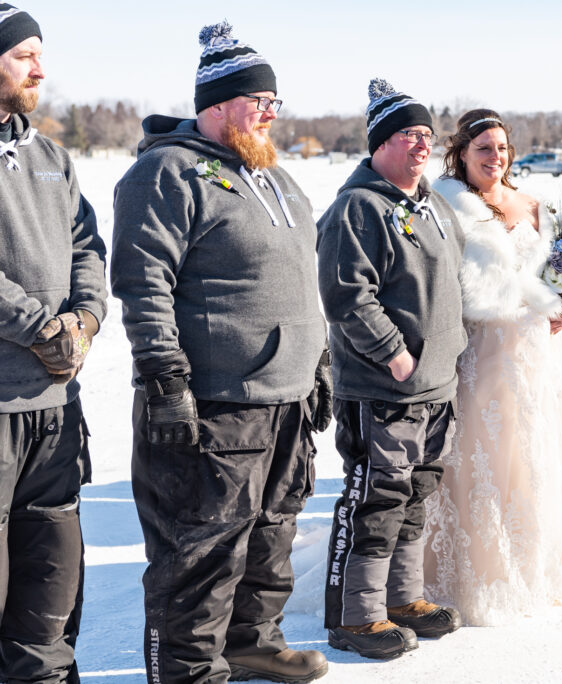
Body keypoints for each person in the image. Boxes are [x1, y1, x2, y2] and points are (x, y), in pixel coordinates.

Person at [110, 22, 330, 683]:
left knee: (272, 536)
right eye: (258, 99)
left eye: (274, 101)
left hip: (284, 399)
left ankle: (253, 642)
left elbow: (299, 280)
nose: (270, 111)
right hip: (214, 403)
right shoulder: (166, 173)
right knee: (200, 554)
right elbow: (143, 284)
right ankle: (188, 671)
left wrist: (316, 364)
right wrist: (166, 382)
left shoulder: (278, 179)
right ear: (217, 103)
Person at [421, 110, 562, 625]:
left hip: (538, 352)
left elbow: (556, 271)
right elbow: (451, 286)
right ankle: (484, 574)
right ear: (461, 152)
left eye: (502, 148)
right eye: (483, 148)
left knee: (538, 451)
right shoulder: (446, 204)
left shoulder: (533, 203)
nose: (495, 157)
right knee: (490, 455)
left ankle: (539, 566)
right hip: (482, 351)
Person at [317, 78, 466, 660]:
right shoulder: (359, 207)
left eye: (427, 133)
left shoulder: (431, 205)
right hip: (385, 386)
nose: (421, 144)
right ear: (380, 143)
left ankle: (402, 600)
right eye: (408, 134)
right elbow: (346, 295)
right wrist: (393, 352)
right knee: (375, 502)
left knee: (415, 497)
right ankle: (357, 617)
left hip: (436, 387)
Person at [0, 5, 107, 681]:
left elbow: (85, 246)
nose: (40, 68)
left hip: (55, 405)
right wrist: (41, 326)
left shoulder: (49, 157)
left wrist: (85, 322)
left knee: (53, 584)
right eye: (22, 54)